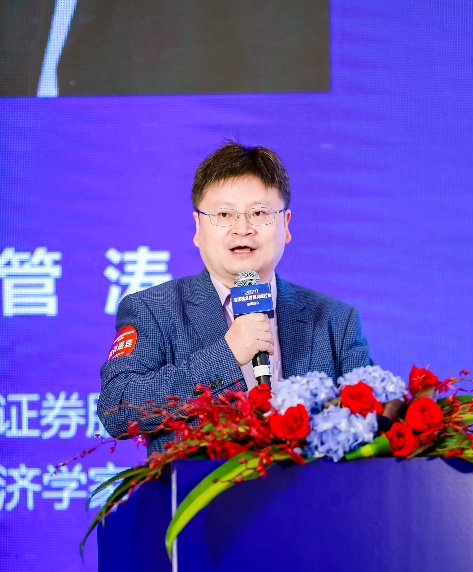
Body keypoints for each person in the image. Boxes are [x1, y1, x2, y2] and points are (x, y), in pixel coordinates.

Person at [98, 142, 372, 450]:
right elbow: (116, 409)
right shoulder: (154, 310)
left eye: (259, 213)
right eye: (224, 214)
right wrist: (227, 354)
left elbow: (369, 426)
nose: (242, 229)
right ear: (198, 227)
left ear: (286, 225)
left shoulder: (335, 321)